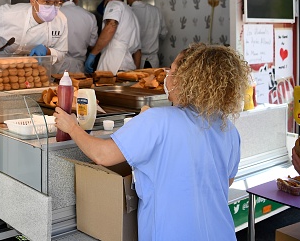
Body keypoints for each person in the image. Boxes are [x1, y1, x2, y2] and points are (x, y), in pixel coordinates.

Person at [55, 43, 249, 241]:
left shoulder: (158, 120)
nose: (167, 77)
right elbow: (223, 182)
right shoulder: (229, 130)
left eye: (172, 71)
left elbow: (102, 155)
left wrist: (72, 127)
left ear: (187, 80)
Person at [85, 0, 141, 74]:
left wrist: (93, 54)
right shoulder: (132, 15)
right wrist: (136, 72)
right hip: (128, 65)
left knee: (107, 87)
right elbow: (138, 52)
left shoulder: (114, 3)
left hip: (113, 62)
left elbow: (111, 26)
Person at [52, 0, 98, 74]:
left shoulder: (54, 14)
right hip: (78, 68)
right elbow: (92, 44)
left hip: (57, 66)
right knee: (77, 87)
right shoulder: (90, 16)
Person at [124, 0, 168, 68]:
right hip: (153, 61)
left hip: (134, 61)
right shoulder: (156, 11)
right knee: (153, 81)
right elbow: (163, 34)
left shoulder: (127, 11)